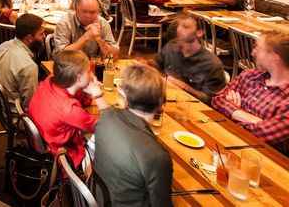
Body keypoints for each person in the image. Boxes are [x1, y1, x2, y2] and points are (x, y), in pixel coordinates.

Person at [94, 63, 172, 207]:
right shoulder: (158, 157)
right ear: (161, 104)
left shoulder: (105, 117)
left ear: (124, 97)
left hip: (99, 198)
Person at [28, 49, 109, 168]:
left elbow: (82, 99)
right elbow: (108, 127)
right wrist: (97, 95)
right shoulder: (70, 110)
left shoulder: (50, 80)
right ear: (79, 78)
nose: (92, 74)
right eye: (89, 71)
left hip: (46, 143)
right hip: (64, 157)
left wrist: (87, 85)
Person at [212, 34, 289, 148]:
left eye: (258, 48)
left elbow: (258, 134)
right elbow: (217, 100)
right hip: (224, 139)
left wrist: (232, 113)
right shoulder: (250, 75)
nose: (253, 53)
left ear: (274, 56)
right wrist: (245, 116)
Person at [154, 13, 226, 103]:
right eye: (179, 26)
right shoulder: (171, 47)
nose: (179, 29)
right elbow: (155, 67)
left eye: (185, 27)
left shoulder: (212, 64)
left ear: (199, 33)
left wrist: (184, 87)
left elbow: (211, 101)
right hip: (168, 101)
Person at [0, 13, 46, 109]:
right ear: (29, 38)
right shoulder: (29, 67)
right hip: (16, 114)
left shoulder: (3, 45)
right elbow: (30, 105)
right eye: (41, 34)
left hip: (1, 103)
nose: (44, 37)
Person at [54, 0, 119, 59]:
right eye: (84, 11)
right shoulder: (65, 23)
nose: (88, 16)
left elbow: (114, 55)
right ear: (77, 10)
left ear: (98, 12)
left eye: (92, 12)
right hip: (69, 66)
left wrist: (99, 39)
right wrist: (86, 37)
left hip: (93, 65)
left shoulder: (103, 23)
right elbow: (61, 57)